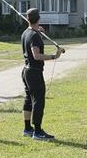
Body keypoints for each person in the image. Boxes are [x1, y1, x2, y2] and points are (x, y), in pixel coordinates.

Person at [21, 8, 62, 140]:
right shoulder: (34, 36)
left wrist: (38, 31)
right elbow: (36, 55)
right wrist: (54, 56)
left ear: (28, 19)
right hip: (34, 72)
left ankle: (27, 128)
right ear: (38, 19)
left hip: (26, 70)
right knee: (38, 101)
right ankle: (37, 132)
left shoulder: (26, 33)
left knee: (29, 99)